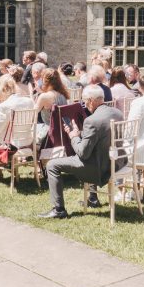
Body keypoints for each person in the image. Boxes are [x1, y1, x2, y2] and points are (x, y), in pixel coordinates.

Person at [38, 85, 123, 219]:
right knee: (93, 151)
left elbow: (83, 153)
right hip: (117, 163)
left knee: (52, 165)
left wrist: (74, 136)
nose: (84, 104)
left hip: (99, 168)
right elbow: (100, 136)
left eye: (84, 101)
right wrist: (79, 133)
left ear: (90, 100)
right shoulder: (117, 113)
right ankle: (93, 199)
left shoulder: (91, 120)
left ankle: (58, 209)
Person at [36, 68, 70, 141]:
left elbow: (33, 113)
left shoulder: (44, 96)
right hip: (62, 131)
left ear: (44, 81)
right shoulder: (62, 94)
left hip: (49, 133)